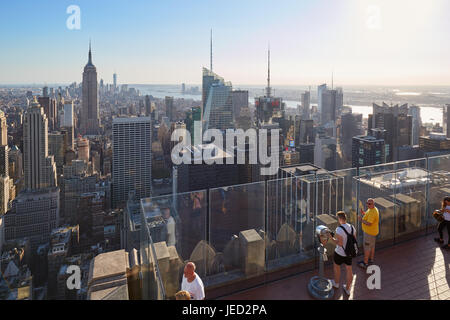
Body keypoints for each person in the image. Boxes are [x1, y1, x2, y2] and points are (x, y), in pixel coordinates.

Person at [329, 211, 356, 296]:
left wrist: (331, 238)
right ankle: (348, 289)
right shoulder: (352, 227)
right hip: (349, 253)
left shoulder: (339, 229)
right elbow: (354, 240)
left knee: (337, 267)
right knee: (349, 270)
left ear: (340, 219)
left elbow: (340, 243)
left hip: (340, 253)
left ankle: (336, 283)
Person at [358, 198, 379, 269]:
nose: (367, 205)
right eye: (367, 203)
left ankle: (365, 263)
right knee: (372, 246)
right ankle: (371, 259)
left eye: (369, 204)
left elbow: (369, 223)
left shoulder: (373, 212)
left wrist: (361, 220)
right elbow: (368, 215)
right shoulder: (373, 209)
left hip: (369, 233)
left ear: (373, 204)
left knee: (367, 247)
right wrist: (363, 213)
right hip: (373, 232)